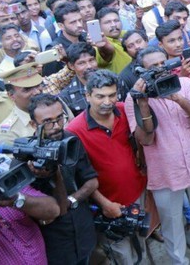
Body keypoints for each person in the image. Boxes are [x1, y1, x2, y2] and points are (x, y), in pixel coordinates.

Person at [125, 47, 190, 265]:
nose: (160, 69)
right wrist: (143, 104)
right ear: (141, 72)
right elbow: (145, 140)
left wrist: (178, 98)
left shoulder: (185, 84)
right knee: (171, 222)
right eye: (152, 67)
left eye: (163, 63)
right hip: (165, 172)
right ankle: (178, 260)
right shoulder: (133, 99)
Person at [66, 70, 148, 265]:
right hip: (108, 204)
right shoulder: (74, 131)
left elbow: (141, 139)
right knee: (122, 255)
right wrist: (104, 204)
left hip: (137, 192)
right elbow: (80, 178)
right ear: (87, 96)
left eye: (112, 95)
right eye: (100, 96)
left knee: (141, 242)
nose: (107, 101)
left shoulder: (123, 110)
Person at [27, 93, 98, 265]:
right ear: (33, 124)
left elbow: (92, 181)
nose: (57, 126)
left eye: (60, 118)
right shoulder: (25, 155)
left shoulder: (71, 141)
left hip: (83, 231)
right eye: (48, 122)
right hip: (53, 243)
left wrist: (72, 199)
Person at [0, 63, 43, 148]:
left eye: (38, 85)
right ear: (11, 95)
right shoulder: (8, 133)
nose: (37, 92)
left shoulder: (57, 105)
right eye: (27, 89)